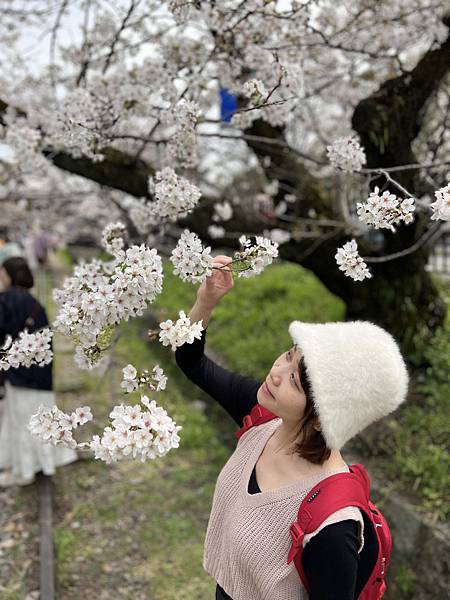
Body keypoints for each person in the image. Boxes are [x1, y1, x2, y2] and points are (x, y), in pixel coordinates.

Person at [175, 255, 409, 600]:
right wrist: (205, 301)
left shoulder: (334, 527)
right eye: (288, 354)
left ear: (321, 417)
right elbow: (191, 361)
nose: (276, 373)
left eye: (295, 381)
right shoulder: (266, 418)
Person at [0, 256, 77, 486]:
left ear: (9, 275)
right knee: (41, 421)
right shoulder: (36, 305)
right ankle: (43, 463)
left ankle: (24, 471)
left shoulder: (4, 300)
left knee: (19, 421)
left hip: (16, 373)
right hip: (39, 375)